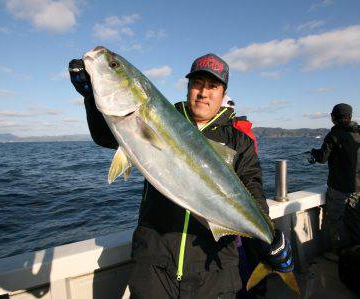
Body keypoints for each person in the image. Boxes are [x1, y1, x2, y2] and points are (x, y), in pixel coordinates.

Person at [69, 53, 293, 298]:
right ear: (188, 87)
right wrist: (91, 98)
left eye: (213, 86)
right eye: (197, 84)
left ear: (223, 92)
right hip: (155, 262)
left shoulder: (239, 140)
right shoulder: (164, 114)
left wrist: (268, 233)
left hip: (214, 267)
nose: (203, 93)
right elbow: (106, 136)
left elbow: (253, 188)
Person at [309, 103, 360, 254]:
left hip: (340, 188)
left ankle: (342, 254)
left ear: (334, 117)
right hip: (359, 186)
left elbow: (322, 158)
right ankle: (359, 251)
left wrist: (313, 152)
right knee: (354, 219)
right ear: (349, 117)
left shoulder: (334, 135)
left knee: (335, 220)